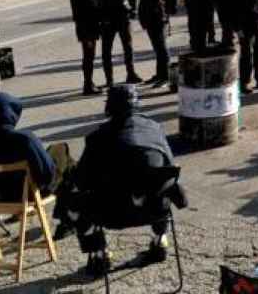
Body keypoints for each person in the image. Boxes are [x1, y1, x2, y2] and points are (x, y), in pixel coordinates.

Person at [59, 85, 184, 275]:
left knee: (74, 199)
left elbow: (82, 181)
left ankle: (100, 255)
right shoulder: (155, 130)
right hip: (153, 209)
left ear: (109, 107)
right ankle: (160, 241)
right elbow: (169, 167)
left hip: (111, 214)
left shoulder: (97, 139)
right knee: (161, 186)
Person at [93, 0, 142, 87]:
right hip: (108, 21)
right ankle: (109, 79)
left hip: (123, 19)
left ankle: (131, 74)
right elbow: (96, 1)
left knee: (128, 48)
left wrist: (133, 10)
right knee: (106, 51)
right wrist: (100, 19)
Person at [138, 0, 170, 87]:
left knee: (162, 49)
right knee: (158, 49)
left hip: (157, 20)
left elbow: (157, 2)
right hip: (151, 21)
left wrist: (150, 18)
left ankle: (166, 77)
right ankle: (159, 75)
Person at [70, 0, 101, 95]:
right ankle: (88, 84)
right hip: (87, 31)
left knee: (89, 57)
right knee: (88, 58)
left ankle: (89, 82)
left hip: (86, 30)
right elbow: (84, 13)